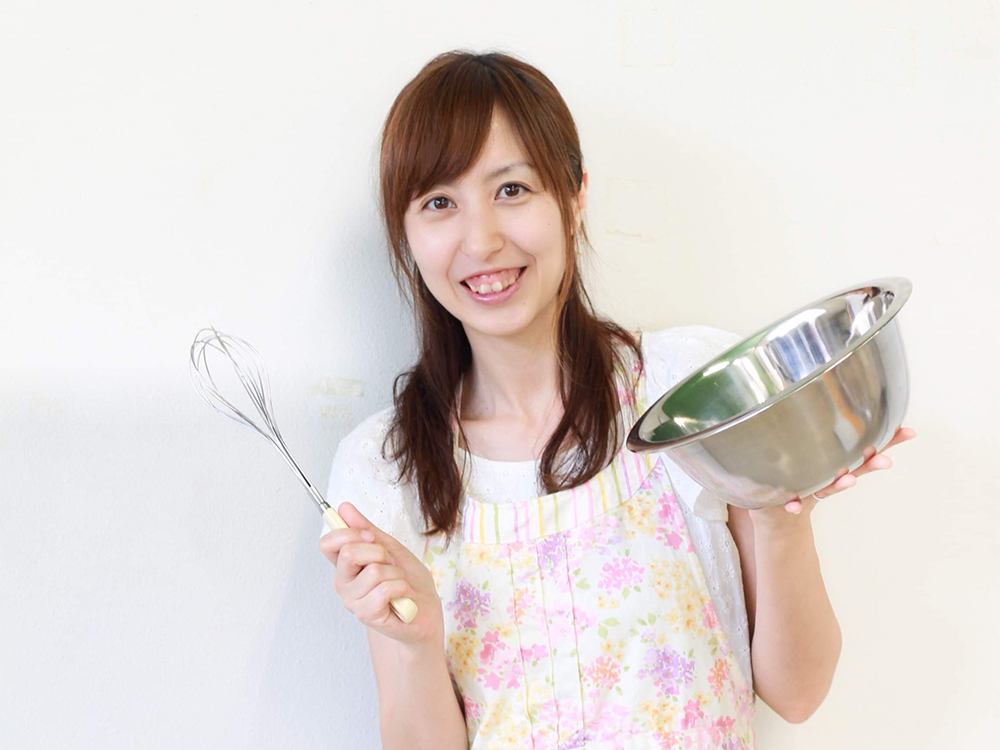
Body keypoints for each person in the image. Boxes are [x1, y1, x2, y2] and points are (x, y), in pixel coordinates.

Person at [318, 50, 915, 750]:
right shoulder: (385, 469)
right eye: (439, 203)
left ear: (574, 198)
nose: (481, 240)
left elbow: (798, 691)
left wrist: (780, 519)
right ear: (407, 233)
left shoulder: (688, 390)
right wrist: (416, 642)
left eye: (512, 189)